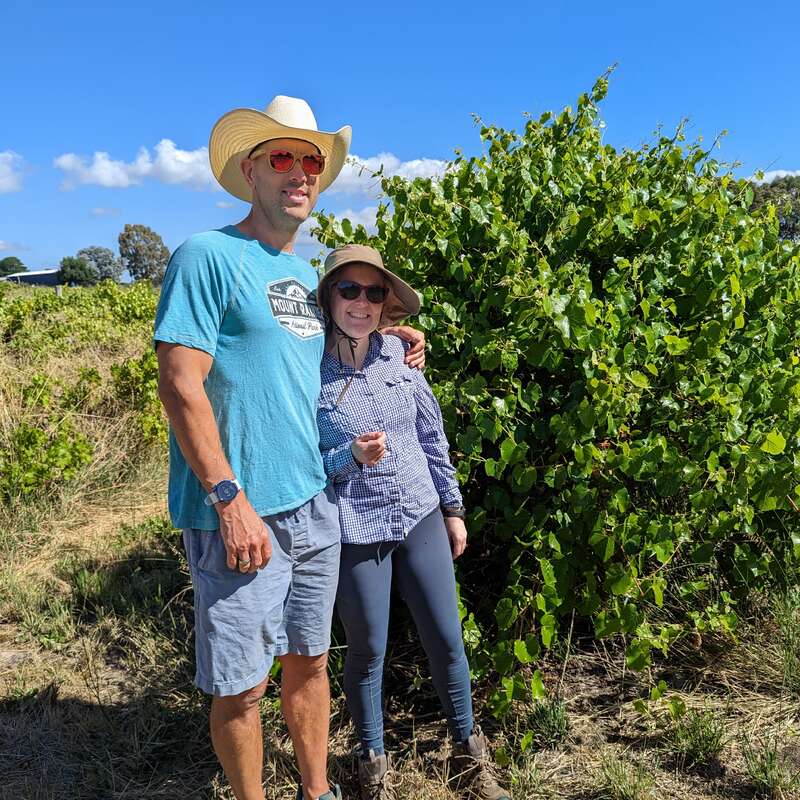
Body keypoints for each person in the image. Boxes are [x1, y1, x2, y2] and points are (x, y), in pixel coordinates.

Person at [154, 97, 425, 800]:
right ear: (251, 171)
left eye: (311, 160)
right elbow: (180, 385)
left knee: (309, 661)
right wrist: (228, 500)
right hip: (240, 510)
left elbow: (329, 341)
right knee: (242, 685)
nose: (300, 172)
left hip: (312, 503)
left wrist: (391, 332)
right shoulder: (208, 256)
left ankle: (316, 790)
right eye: (282, 156)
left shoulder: (307, 280)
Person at [316, 244, 510, 800]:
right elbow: (304, 463)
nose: (361, 302)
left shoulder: (401, 358)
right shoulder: (308, 371)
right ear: (329, 298)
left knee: (447, 638)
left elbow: (431, 438)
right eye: (349, 290)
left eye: (374, 292)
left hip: (420, 512)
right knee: (367, 650)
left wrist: (453, 509)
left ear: (386, 302)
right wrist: (351, 456)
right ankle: (372, 767)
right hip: (357, 527)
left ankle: (470, 757)